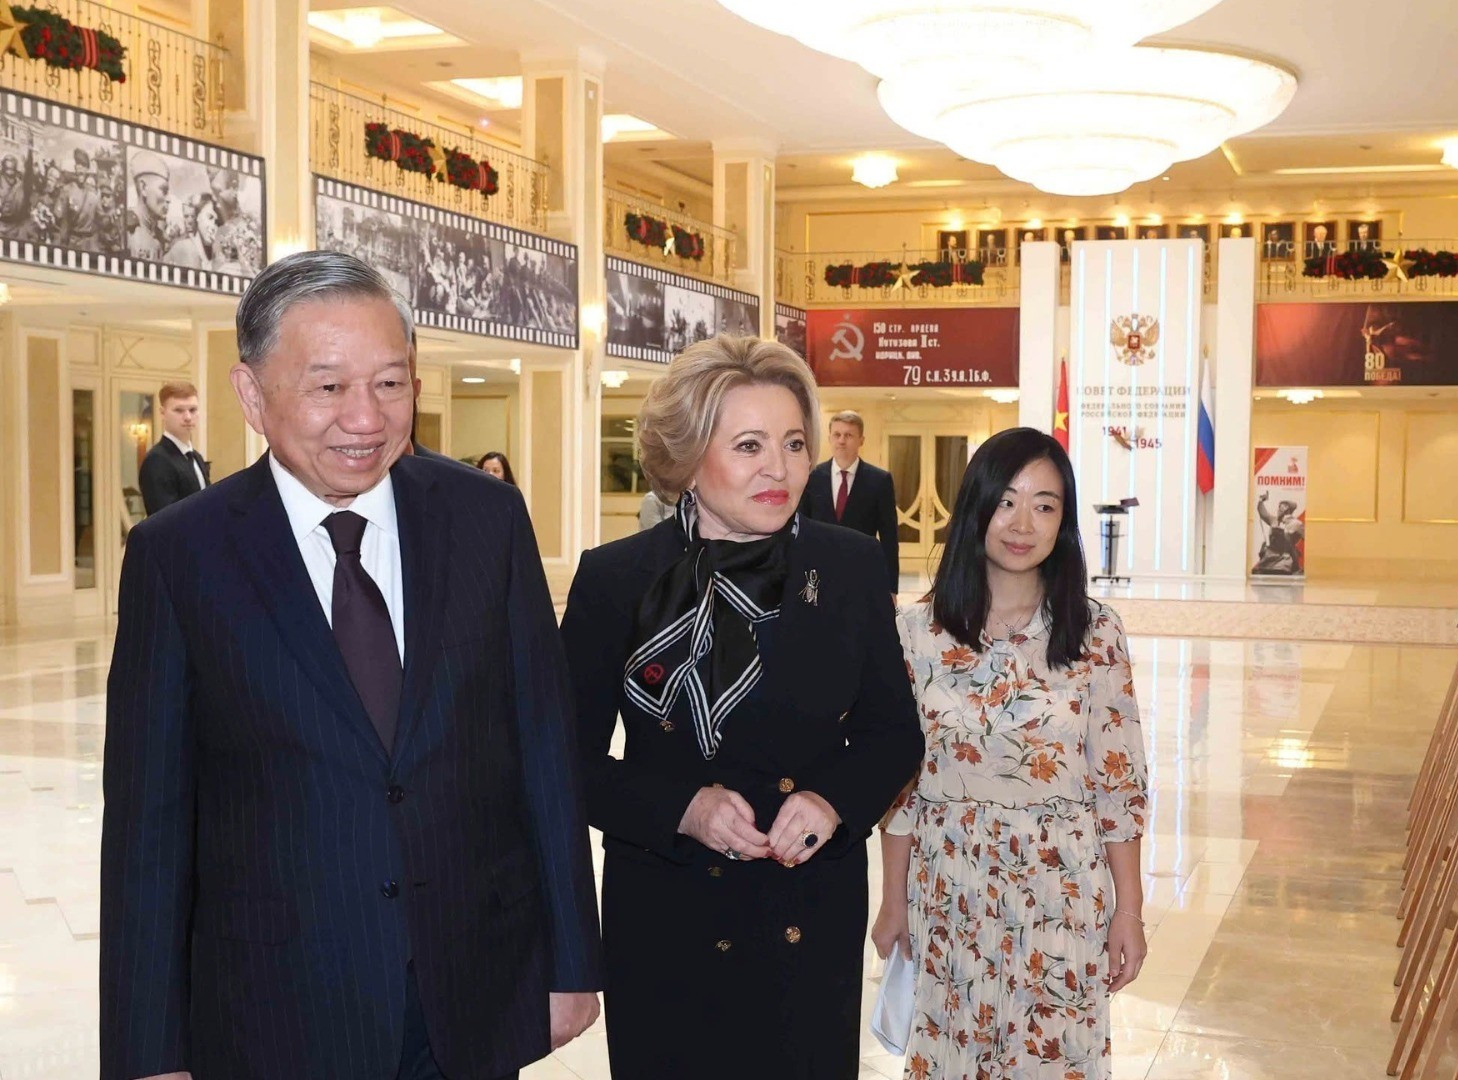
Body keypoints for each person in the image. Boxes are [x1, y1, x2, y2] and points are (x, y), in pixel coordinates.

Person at [100, 250, 603, 1080]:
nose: (366, 419)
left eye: (391, 383)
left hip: (470, 990)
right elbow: (148, 826)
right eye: (328, 387)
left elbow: (542, 746)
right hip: (275, 1006)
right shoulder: (179, 556)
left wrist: (571, 961)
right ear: (252, 396)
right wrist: (147, 1048)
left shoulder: (485, 519)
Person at [560, 335, 922, 1078]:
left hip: (807, 907)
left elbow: (893, 733)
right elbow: (563, 762)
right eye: (749, 445)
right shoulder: (617, 578)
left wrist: (832, 801)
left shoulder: (847, 566)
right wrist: (680, 807)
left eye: (794, 444)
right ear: (690, 456)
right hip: (666, 910)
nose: (780, 469)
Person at [873, 427, 1149, 1079]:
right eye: (1008, 501)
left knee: (1052, 1061)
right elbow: (901, 788)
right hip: (951, 891)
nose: (1024, 523)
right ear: (977, 507)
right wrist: (893, 900)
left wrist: (1128, 910)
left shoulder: (1096, 633)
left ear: (1065, 522)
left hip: (1062, 889)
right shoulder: (917, 633)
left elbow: (1121, 784)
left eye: (1046, 505)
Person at [799, 410, 901, 592]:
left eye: (848, 435)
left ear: (861, 440)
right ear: (829, 438)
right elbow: (801, 529)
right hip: (819, 574)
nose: (841, 440)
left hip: (861, 573)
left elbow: (889, 539)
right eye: (837, 435)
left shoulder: (879, 480)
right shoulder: (812, 477)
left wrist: (891, 588)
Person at [136, 382, 211, 515]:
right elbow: (163, 518)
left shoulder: (196, 457)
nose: (188, 417)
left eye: (193, 410)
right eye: (179, 410)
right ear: (162, 413)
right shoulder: (156, 460)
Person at [127, 151, 172, 261]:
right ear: (143, 188)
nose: (169, 199)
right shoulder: (127, 231)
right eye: (163, 190)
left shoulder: (159, 237)